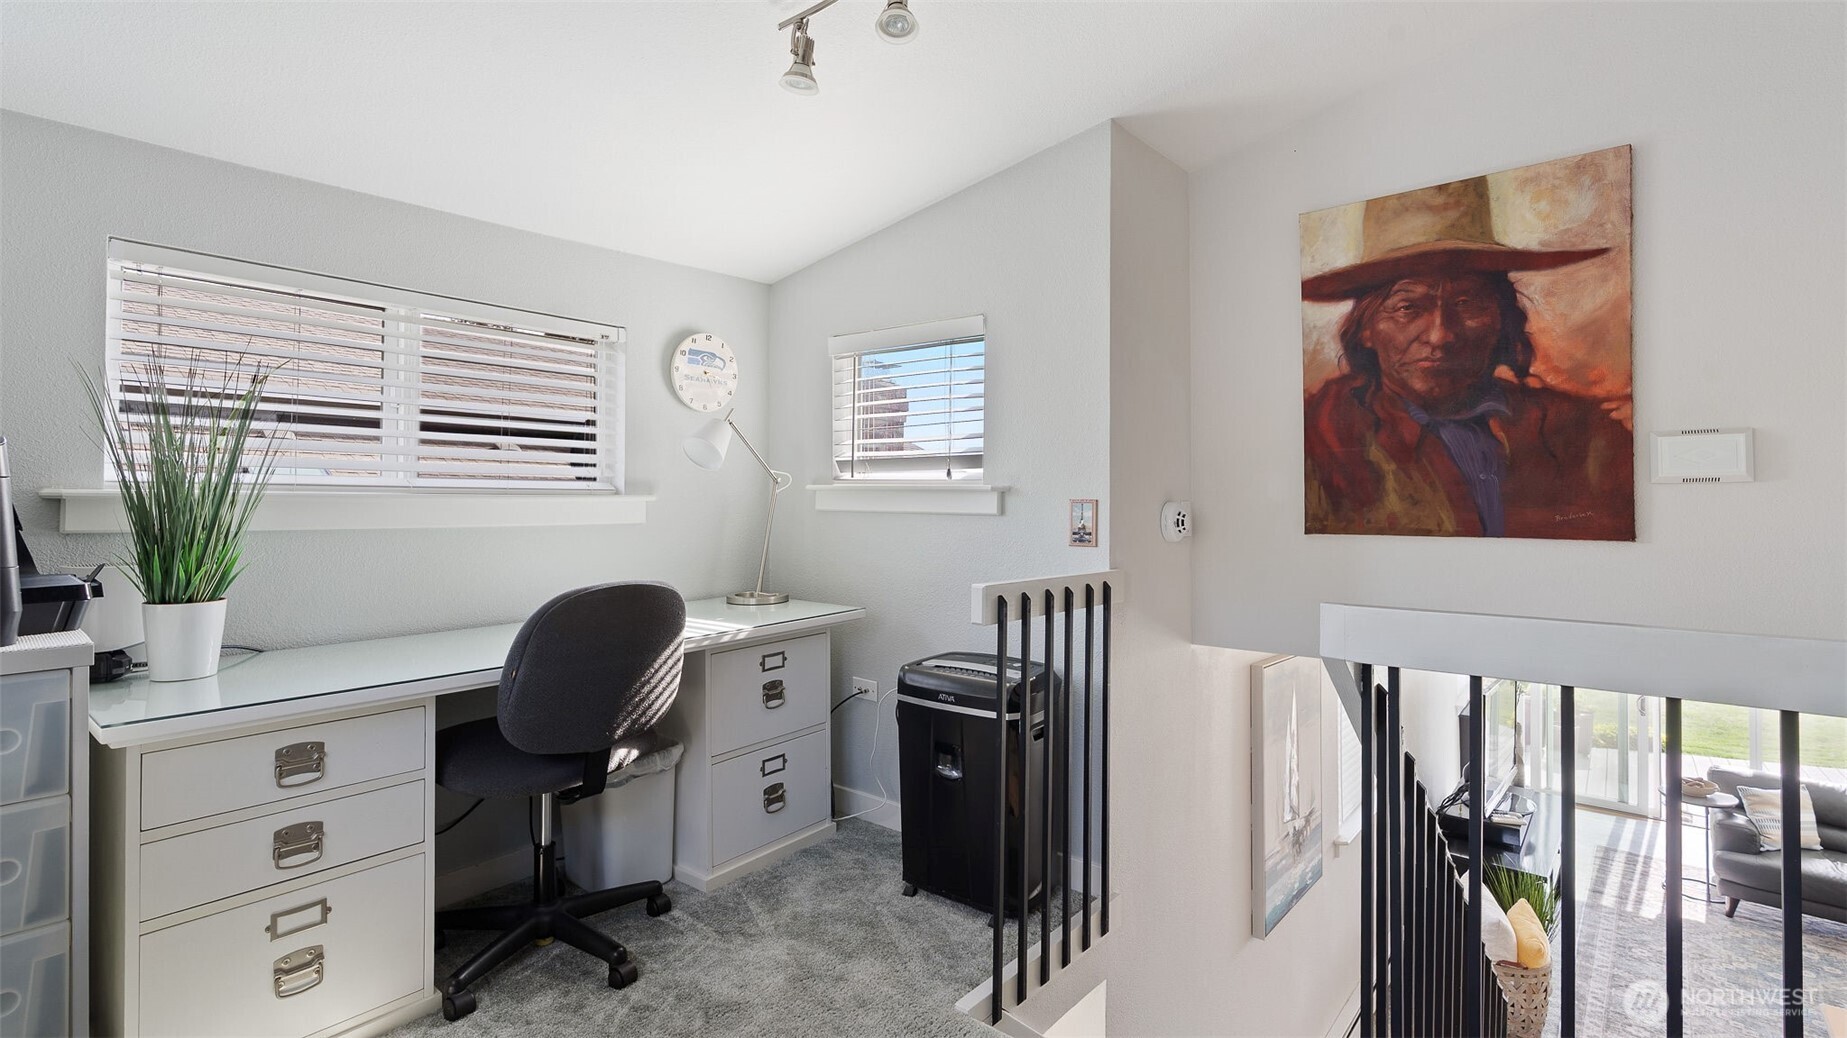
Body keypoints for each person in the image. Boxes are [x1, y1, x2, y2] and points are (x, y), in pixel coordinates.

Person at [1301, 176, 1634, 540]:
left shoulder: (1584, 438)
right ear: (1366, 329)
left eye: (1467, 304)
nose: (1441, 335)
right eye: (1407, 307)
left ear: (1501, 319)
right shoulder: (1322, 440)